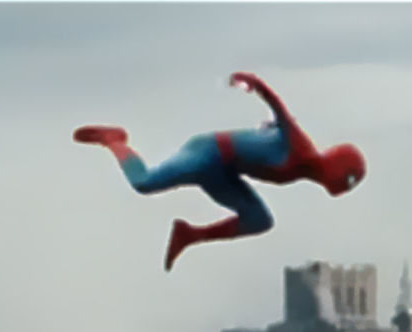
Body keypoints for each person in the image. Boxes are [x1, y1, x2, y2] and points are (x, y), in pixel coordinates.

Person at [74, 72, 366, 271]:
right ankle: (114, 140)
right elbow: (280, 111)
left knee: (260, 220)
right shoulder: (300, 149)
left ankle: (189, 235)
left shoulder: (301, 166)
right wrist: (254, 85)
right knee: (144, 182)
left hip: (223, 174)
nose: (343, 186)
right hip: (207, 153)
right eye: (348, 179)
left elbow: (277, 123)